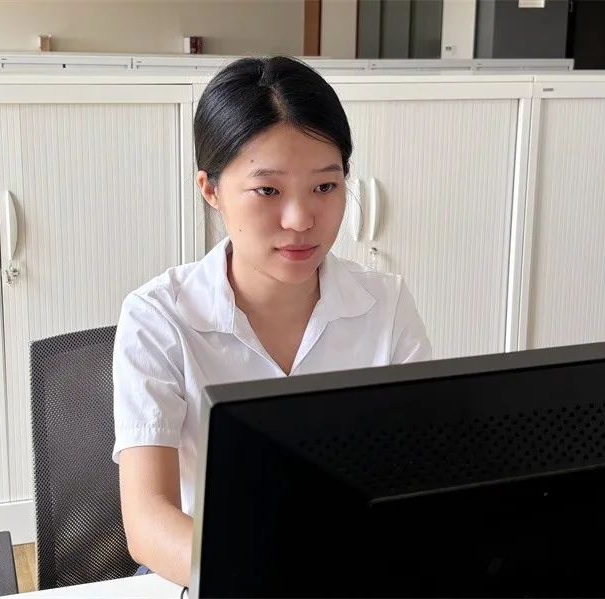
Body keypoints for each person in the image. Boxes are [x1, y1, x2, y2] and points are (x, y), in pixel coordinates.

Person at [112, 55, 432, 585]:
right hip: (217, 574)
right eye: (268, 190)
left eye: (325, 187)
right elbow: (148, 522)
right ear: (211, 190)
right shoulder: (158, 318)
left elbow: (421, 477)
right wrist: (272, 578)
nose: (301, 219)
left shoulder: (386, 306)